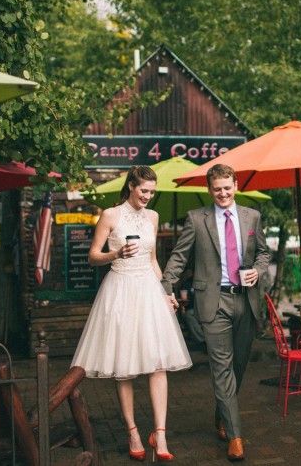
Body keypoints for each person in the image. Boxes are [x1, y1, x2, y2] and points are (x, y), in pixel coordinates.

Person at [71, 166, 191, 463]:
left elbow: (153, 261)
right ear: (131, 187)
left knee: (158, 362)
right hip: (121, 291)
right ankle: (133, 431)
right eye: (143, 191)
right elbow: (92, 256)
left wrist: (167, 293)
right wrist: (116, 254)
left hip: (148, 291)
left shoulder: (152, 217)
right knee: (124, 365)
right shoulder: (111, 215)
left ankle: (160, 433)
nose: (148, 197)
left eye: (152, 191)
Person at [161, 164, 270, 462]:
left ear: (236, 185)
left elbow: (263, 252)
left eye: (227, 187)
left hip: (245, 301)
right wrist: (166, 286)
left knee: (238, 368)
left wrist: (258, 271)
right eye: (217, 188)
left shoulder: (252, 217)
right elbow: (179, 256)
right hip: (213, 301)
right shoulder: (197, 219)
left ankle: (223, 411)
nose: (223, 193)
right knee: (221, 369)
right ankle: (235, 437)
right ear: (209, 190)